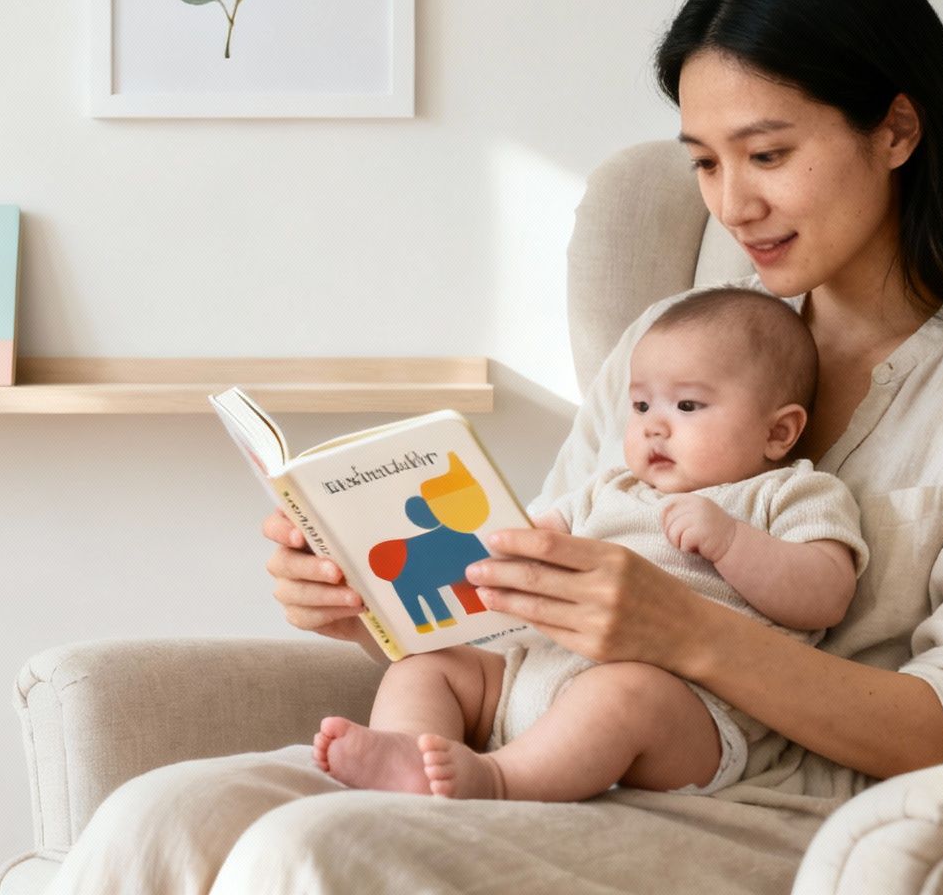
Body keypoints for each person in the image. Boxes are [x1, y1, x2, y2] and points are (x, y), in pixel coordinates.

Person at [46, 0, 943, 893]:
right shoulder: (676, 340)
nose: (730, 203)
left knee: (314, 857)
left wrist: (685, 635)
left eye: (767, 154)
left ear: (894, 130)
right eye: (705, 162)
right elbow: (543, 593)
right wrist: (373, 595)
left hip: (777, 810)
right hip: (530, 739)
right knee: (153, 821)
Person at [313, 287, 869, 802]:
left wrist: (732, 543)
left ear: (779, 432)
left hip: (688, 713)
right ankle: (409, 754)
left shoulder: (790, 492)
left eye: (688, 406)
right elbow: (523, 542)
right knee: (427, 667)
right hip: (528, 677)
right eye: (642, 405)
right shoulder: (608, 489)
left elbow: (825, 594)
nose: (654, 426)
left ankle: (501, 780)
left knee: (625, 694)